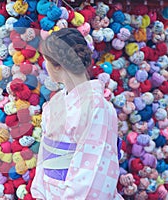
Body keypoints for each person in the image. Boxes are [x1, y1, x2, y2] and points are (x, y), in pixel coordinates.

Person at [30, 28, 123, 199]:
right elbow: (45, 158)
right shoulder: (55, 103)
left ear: (57, 64)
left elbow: (93, 172)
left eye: (46, 62)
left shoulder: (96, 106)